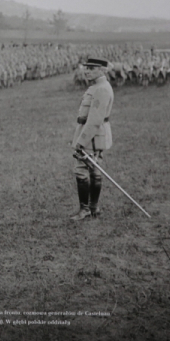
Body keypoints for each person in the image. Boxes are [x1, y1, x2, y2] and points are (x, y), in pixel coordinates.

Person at [70, 58, 114, 221]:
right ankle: (93, 208)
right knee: (95, 170)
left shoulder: (101, 89)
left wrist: (81, 142)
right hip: (94, 134)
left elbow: (95, 120)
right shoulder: (97, 86)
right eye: (86, 68)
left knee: (82, 170)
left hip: (93, 136)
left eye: (92, 68)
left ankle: (86, 209)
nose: (87, 71)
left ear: (102, 70)